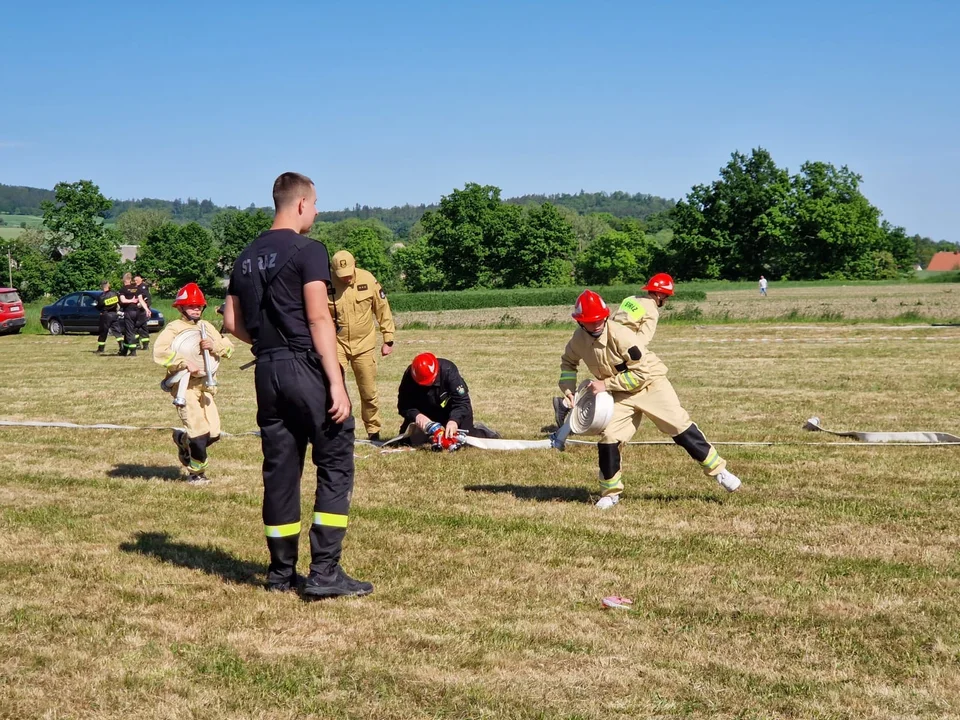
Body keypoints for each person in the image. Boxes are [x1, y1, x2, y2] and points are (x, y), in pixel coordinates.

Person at [223, 171, 371, 600]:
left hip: (265, 371)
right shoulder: (309, 250)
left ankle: (280, 574)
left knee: (280, 472)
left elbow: (231, 322)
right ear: (301, 204)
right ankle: (325, 572)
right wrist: (336, 383)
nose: (318, 211)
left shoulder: (245, 257)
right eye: (316, 203)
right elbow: (319, 318)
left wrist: (269, 344)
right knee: (336, 461)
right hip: (305, 367)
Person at [557, 286, 741, 510]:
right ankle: (610, 493)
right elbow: (568, 363)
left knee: (679, 426)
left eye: (599, 319)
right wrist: (568, 389)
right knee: (609, 438)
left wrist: (604, 384)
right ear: (580, 322)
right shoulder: (578, 340)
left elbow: (641, 373)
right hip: (620, 393)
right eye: (589, 320)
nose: (596, 324)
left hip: (651, 386)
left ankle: (720, 471)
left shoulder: (622, 335)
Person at [153, 282, 234, 484]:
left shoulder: (207, 327)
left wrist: (215, 345)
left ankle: (182, 440)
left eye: (198, 306)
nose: (196, 309)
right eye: (191, 306)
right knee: (198, 433)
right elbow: (159, 352)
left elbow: (229, 348)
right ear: (180, 308)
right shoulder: (174, 328)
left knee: (213, 433)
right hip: (184, 386)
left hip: (205, 385)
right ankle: (196, 474)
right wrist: (182, 362)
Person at [328, 250, 396, 442]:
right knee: (334, 388)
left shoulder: (368, 279)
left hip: (364, 344)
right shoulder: (325, 283)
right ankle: (337, 431)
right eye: (341, 275)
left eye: (349, 273)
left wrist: (388, 338)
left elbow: (382, 308)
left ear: (355, 264)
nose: (346, 278)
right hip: (336, 344)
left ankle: (373, 431)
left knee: (368, 391)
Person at [397, 352, 500, 448]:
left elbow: (462, 402)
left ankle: (485, 432)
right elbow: (403, 405)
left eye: (430, 381)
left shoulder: (449, 370)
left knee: (464, 441)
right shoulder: (409, 376)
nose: (427, 385)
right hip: (426, 414)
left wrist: (454, 421)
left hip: (452, 411)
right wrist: (417, 416)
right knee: (406, 442)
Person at [117, 272, 145, 356]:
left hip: (129, 312)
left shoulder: (123, 289)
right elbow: (141, 300)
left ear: (124, 280)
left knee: (129, 332)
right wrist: (147, 309)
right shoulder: (136, 289)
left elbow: (123, 300)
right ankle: (124, 350)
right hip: (137, 312)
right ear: (130, 279)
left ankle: (133, 351)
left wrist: (131, 301)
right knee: (129, 331)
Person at [95, 280, 121, 354]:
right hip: (114, 314)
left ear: (101, 286)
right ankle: (121, 347)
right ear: (108, 285)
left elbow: (98, 306)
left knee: (103, 332)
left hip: (105, 315)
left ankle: (101, 349)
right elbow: (119, 302)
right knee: (117, 332)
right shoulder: (115, 293)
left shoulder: (101, 296)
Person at [133, 273, 153, 349]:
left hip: (142, 310)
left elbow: (146, 299)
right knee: (138, 328)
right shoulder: (135, 287)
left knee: (140, 327)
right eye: (134, 280)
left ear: (141, 280)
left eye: (137, 280)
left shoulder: (143, 287)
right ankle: (138, 344)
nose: (136, 282)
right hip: (137, 311)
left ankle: (144, 345)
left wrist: (143, 305)